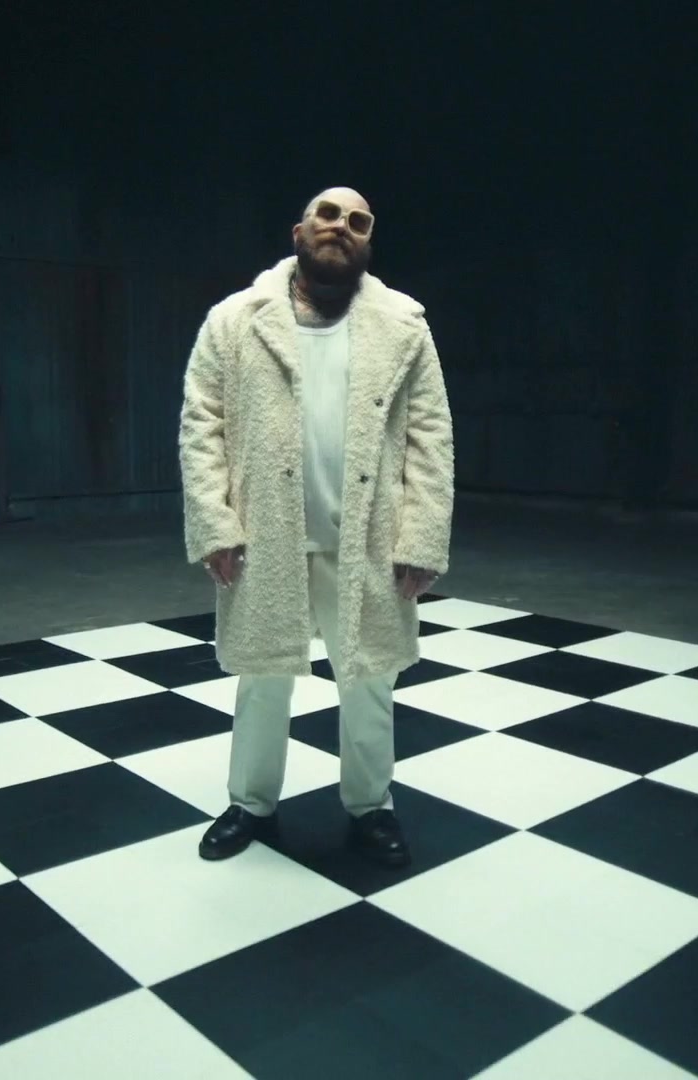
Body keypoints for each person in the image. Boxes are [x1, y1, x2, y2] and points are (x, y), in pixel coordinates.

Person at [177, 187, 455, 868]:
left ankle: (371, 807)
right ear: (298, 231)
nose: (341, 227)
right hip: (265, 532)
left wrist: (422, 537)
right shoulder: (235, 320)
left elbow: (430, 436)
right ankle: (250, 803)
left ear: (369, 242)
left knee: (371, 679)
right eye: (327, 215)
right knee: (261, 676)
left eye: (358, 221)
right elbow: (201, 424)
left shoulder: (404, 326)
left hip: (370, 537)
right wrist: (214, 523)